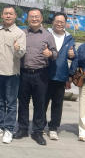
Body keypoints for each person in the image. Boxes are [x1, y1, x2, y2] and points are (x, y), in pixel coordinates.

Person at [14, 8, 58, 145]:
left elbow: (55, 53)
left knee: (40, 103)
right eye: (31, 17)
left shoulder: (48, 35)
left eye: (37, 16)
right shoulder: (22, 34)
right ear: (27, 18)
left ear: (41, 18)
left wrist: (50, 54)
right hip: (24, 73)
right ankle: (22, 129)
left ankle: (38, 132)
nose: (34, 19)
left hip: (41, 74)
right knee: (23, 103)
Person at [0, 5, 25, 144]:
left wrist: (17, 49)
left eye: (11, 14)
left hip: (11, 73)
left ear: (15, 16)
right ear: (2, 15)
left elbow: (21, 53)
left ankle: (9, 129)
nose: (8, 16)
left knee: (11, 103)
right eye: (6, 13)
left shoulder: (19, 33)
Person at [44, 12, 75, 141]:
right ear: (53, 22)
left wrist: (71, 73)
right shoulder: (46, 34)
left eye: (62, 22)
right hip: (45, 74)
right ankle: (40, 125)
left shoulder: (69, 38)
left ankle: (53, 128)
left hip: (61, 75)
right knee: (42, 102)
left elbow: (74, 57)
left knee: (57, 104)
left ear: (65, 23)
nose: (59, 24)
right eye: (57, 21)